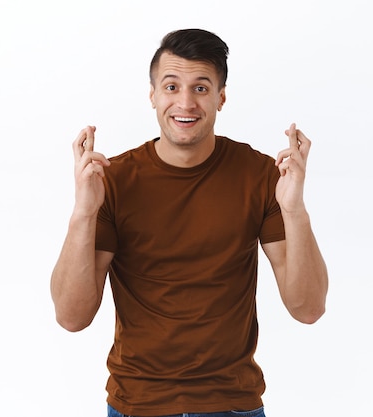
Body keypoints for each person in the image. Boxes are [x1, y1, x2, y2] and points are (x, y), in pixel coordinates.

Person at [50, 28, 328, 417]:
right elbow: (71, 316)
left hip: (232, 404)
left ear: (221, 97)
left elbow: (308, 307)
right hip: (138, 405)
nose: (185, 102)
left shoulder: (261, 176)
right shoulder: (112, 181)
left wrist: (295, 211)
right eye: (171, 86)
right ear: (153, 96)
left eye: (201, 88)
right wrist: (83, 213)